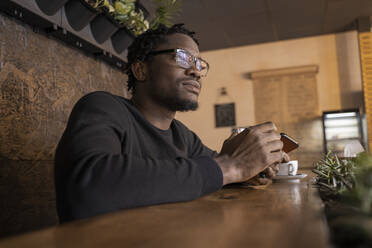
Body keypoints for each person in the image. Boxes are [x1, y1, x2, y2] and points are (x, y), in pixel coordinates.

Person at [54, 24, 288, 223]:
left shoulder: (184, 136)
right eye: (183, 57)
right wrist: (232, 166)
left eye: (199, 63)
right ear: (141, 69)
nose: (196, 71)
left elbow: (213, 174)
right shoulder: (103, 107)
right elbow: (90, 186)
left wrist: (252, 170)